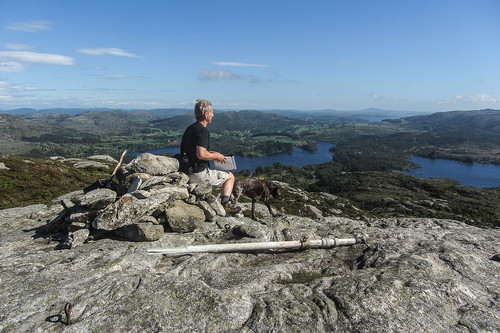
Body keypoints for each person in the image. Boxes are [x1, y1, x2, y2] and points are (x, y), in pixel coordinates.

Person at [181, 99, 241, 215]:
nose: (213, 115)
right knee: (230, 177)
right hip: (199, 174)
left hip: (186, 172)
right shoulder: (203, 131)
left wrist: (213, 153)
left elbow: (193, 150)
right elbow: (201, 154)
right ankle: (225, 206)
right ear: (206, 114)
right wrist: (216, 157)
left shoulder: (190, 129)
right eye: (212, 112)